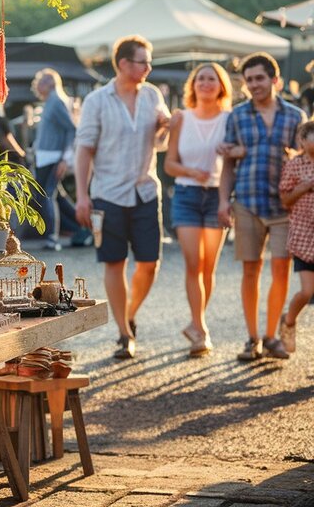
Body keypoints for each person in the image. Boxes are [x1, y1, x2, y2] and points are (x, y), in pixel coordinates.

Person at [75, 35, 170, 359]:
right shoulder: (97, 101)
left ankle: (128, 313)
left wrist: (164, 127)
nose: (149, 68)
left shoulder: (153, 95)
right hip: (107, 194)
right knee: (114, 262)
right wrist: (82, 196)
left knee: (150, 263)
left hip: (145, 190)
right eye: (144, 62)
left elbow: (161, 142)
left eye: (149, 62)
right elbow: (84, 149)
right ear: (124, 63)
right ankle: (124, 333)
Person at [217, 52, 306, 362]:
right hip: (247, 201)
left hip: (285, 206)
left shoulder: (295, 116)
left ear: (274, 80)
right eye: (249, 80)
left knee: (281, 269)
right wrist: (222, 201)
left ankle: (271, 336)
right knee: (250, 270)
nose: (253, 84)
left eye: (259, 78)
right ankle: (252, 338)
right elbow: (227, 164)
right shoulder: (237, 115)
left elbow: (305, 158)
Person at [164, 63, 233, 357]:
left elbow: (234, 159)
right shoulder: (182, 118)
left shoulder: (230, 119)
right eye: (200, 79)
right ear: (193, 85)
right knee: (194, 263)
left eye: (211, 79)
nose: (205, 83)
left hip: (218, 196)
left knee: (209, 267)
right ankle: (201, 328)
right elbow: (169, 164)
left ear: (221, 86)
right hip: (187, 195)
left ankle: (195, 323)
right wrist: (192, 172)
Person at [31, 68, 81, 250]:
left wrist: (65, 159)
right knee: (55, 196)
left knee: (46, 196)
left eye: (41, 81)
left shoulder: (56, 101)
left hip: (53, 157)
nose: (37, 84)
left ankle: (52, 237)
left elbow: (71, 129)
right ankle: (85, 226)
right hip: (45, 156)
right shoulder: (50, 102)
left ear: (51, 83)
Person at [276, 120, 314, 355]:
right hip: (304, 236)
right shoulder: (295, 165)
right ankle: (289, 322)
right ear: (302, 140)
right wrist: (305, 187)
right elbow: (285, 200)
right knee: (307, 291)